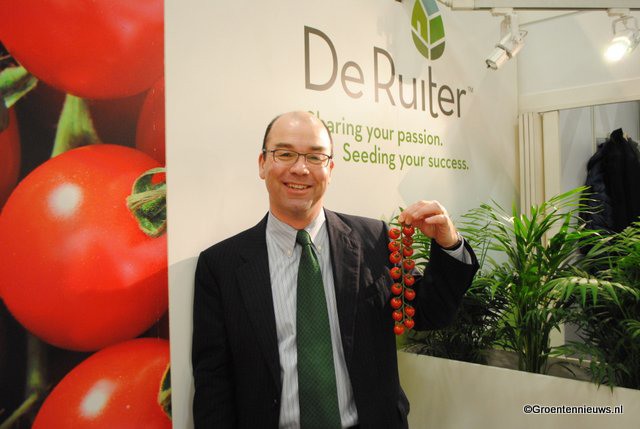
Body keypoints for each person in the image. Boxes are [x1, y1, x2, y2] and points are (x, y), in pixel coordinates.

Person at [192, 111, 479, 429]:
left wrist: (449, 244)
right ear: (262, 163)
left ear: (330, 168)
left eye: (315, 156)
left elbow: (430, 313)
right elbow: (213, 383)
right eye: (285, 154)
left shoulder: (374, 240)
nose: (300, 168)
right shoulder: (222, 266)